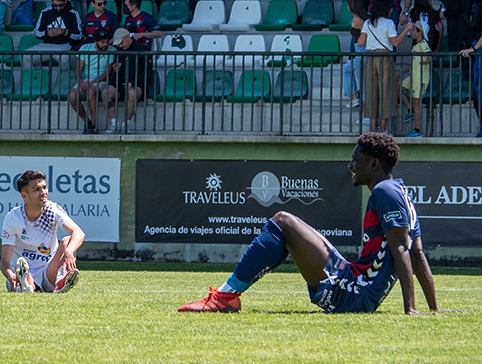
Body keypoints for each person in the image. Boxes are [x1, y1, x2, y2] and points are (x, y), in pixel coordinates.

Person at [179, 133, 446, 315]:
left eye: (357, 160)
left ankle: (225, 298)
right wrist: (433, 308)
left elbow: (402, 250)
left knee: (282, 221)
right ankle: (227, 297)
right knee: (286, 227)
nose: (351, 165)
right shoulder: (400, 192)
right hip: (355, 283)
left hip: (354, 292)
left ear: (374, 163)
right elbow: (417, 252)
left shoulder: (384, 193)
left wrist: (410, 309)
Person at [0, 169, 84, 293]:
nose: (43, 192)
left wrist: (69, 252)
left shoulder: (52, 209)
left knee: (67, 241)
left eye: (44, 187)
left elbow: (78, 232)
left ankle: (61, 281)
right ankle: (26, 282)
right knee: (23, 278)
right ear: (24, 195)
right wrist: (10, 276)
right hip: (22, 270)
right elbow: (5, 261)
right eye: (37, 189)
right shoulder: (13, 218)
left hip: (49, 270)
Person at [360, 0, 413, 134]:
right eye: (390, 8)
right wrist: (406, 28)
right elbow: (394, 43)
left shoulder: (368, 22)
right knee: (386, 91)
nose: (391, 10)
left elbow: (360, 43)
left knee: (371, 91)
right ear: (385, 9)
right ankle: (383, 128)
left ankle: (372, 128)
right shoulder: (389, 23)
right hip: (385, 57)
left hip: (371, 57)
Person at [69, 27, 117, 133]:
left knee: (91, 91)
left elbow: (108, 72)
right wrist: (81, 82)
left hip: (101, 81)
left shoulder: (112, 50)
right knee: (72, 95)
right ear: (95, 41)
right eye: (102, 42)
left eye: (107, 41)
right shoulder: (85, 47)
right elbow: (78, 69)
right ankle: (88, 122)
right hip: (86, 80)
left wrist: (92, 83)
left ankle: (94, 125)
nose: (106, 44)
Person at [399, 20, 432, 138]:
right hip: (413, 76)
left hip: (419, 78)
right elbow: (413, 64)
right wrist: (401, 73)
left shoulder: (423, 43)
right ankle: (410, 110)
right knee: (398, 88)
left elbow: (429, 54)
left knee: (416, 103)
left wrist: (427, 60)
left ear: (420, 32)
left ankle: (417, 130)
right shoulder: (415, 46)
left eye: (413, 30)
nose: (412, 32)